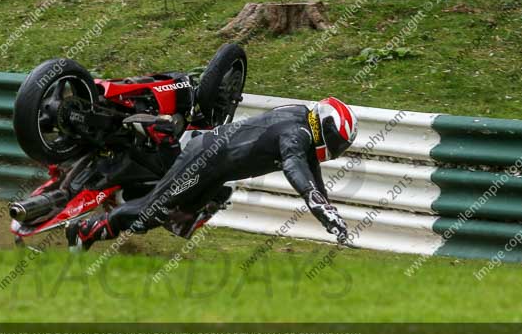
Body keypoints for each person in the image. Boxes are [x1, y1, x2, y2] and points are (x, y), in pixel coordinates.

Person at [66, 97, 358, 251]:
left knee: (175, 219)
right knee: (152, 211)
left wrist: (326, 210)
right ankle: (83, 231)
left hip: (216, 169)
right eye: (338, 143)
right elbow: (297, 169)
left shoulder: (302, 124)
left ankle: (111, 229)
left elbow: (310, 173)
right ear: (327, 129)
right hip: (204, 160)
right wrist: (319, 204)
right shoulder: (296, 134)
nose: (337, 149)